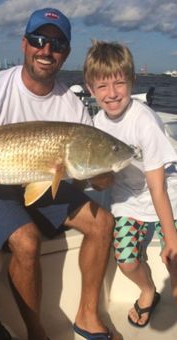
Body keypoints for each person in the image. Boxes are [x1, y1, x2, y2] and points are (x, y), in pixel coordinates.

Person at [0, 9, 115, 340]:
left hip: (38, 182)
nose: (46, 50)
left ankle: (87, 315)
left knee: (103, 223)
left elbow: (88, 170)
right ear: (25, 44)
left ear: (65, 53)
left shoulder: (70, 105)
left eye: (56, 43)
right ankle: (36, 331)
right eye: (39, 40)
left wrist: (101, 176)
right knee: (26, 241)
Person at [84, 40, 177, 327]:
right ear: (90, 89)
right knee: (126, 261)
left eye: (120, 83)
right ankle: (148, 290)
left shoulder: (144, 121)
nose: (112, 94)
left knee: (175, 261)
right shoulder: (97, 125)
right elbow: (100, 183)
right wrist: (98, 179)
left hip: (166, 197)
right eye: (102, 86)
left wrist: (171, 237)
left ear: (132, 82)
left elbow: (157, 187)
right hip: (127, 200)